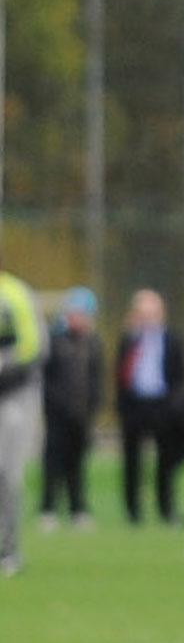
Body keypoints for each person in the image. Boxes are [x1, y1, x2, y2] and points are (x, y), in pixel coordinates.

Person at [114, 289, 184, 526]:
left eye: (152, 313)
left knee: (165, 463)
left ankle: (167, 510)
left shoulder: (173, 340)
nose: (148, 318)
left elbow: (182, 375)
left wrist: (176, 405)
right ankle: (133, 513)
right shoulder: (129, 340)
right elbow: (119, 375)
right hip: (135, 406)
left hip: (163, 406)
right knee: (132, 462)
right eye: (143, 313)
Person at [39, 288, 105, 528]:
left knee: (77, 464)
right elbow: (45, 379)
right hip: (57, 414)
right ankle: (47, 510)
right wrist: (56, 404)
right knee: (53, 462)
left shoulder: (93, 343)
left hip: (82, 415)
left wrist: (93, 408)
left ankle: (78, 509)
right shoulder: (54, 340)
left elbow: (96, 379)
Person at [0, 244, 45, 576]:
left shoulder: (14, 294)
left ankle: (8, 550)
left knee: (6, 474)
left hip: (11, 397)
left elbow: (34, 347)